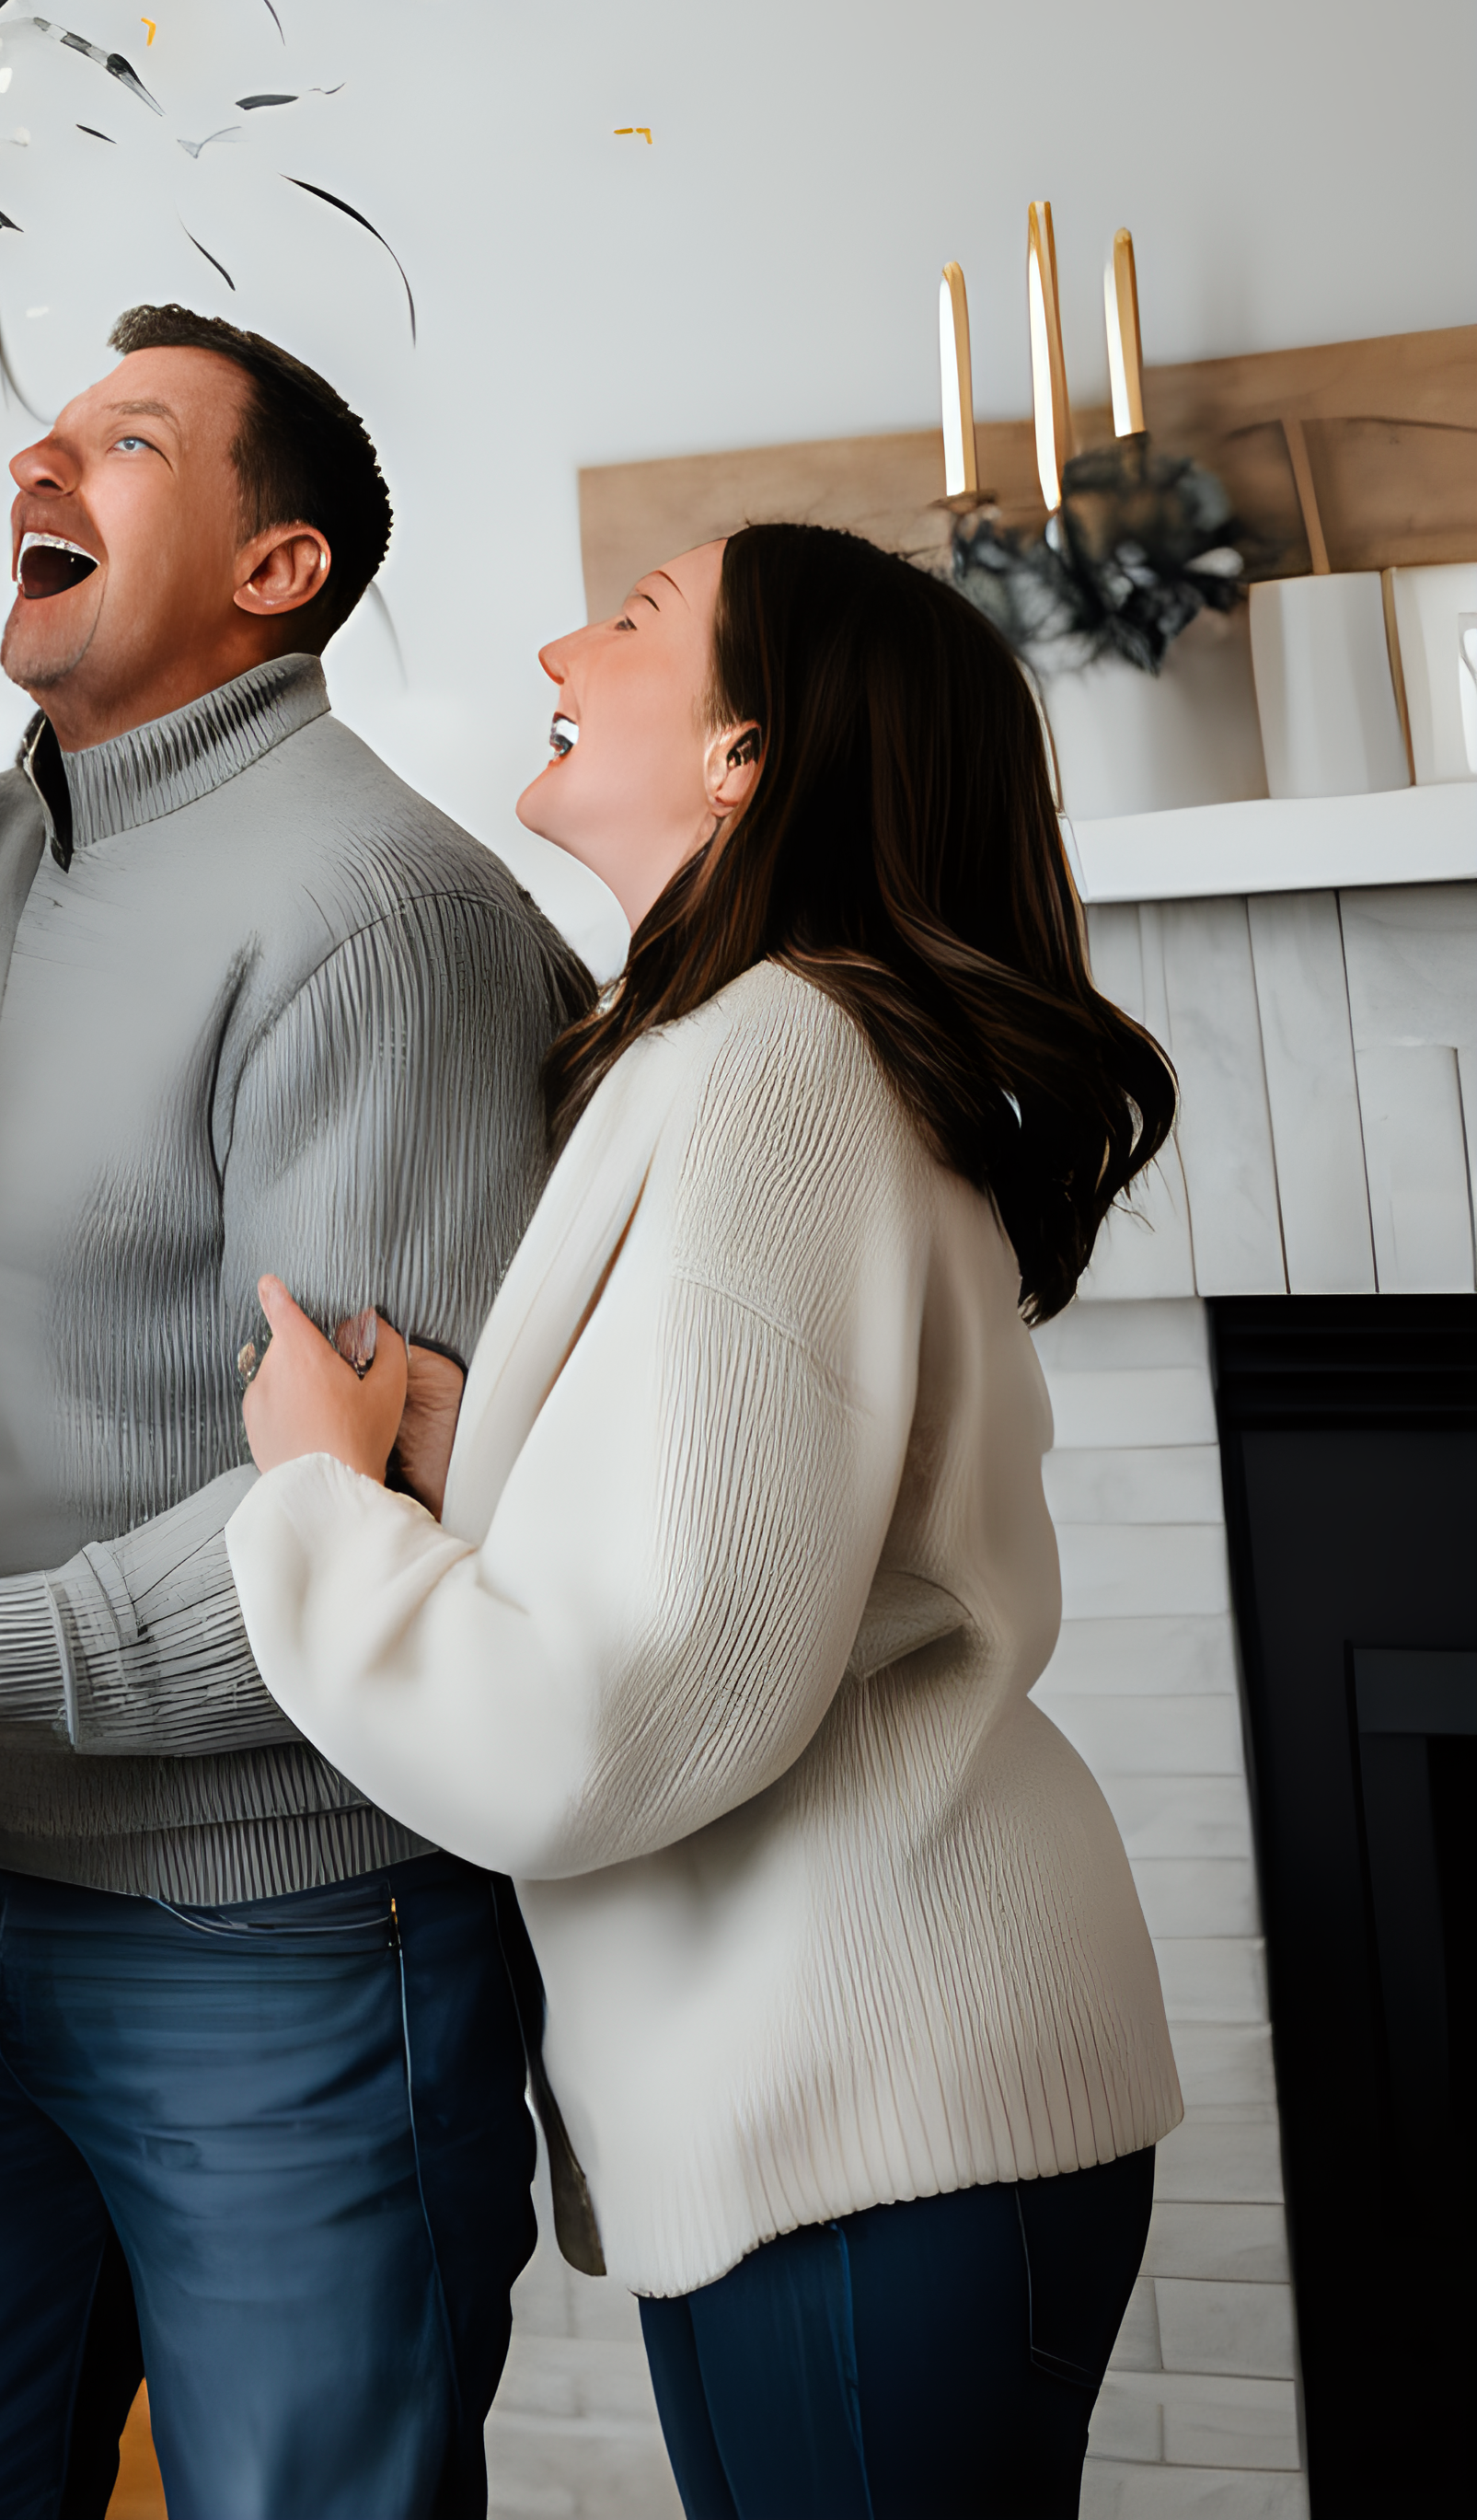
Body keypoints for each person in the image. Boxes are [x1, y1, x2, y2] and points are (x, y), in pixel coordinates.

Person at [0, 304, 589, 2520]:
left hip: (290, 1938)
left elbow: (374, 1493)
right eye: (48, 429)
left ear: (274, 569)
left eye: (128, 441)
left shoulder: (380, 916)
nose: (37, 460)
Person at [225, 525, 1186, 2520]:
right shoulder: (776, 1044)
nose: (563, 636)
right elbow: (760, 1532)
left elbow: (630, 1694)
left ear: (744, 751)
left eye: (633, 617)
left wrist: (314, 1497)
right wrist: (463, 1445)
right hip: (871, 2104)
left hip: (866, 2111)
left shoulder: (768, 1061)